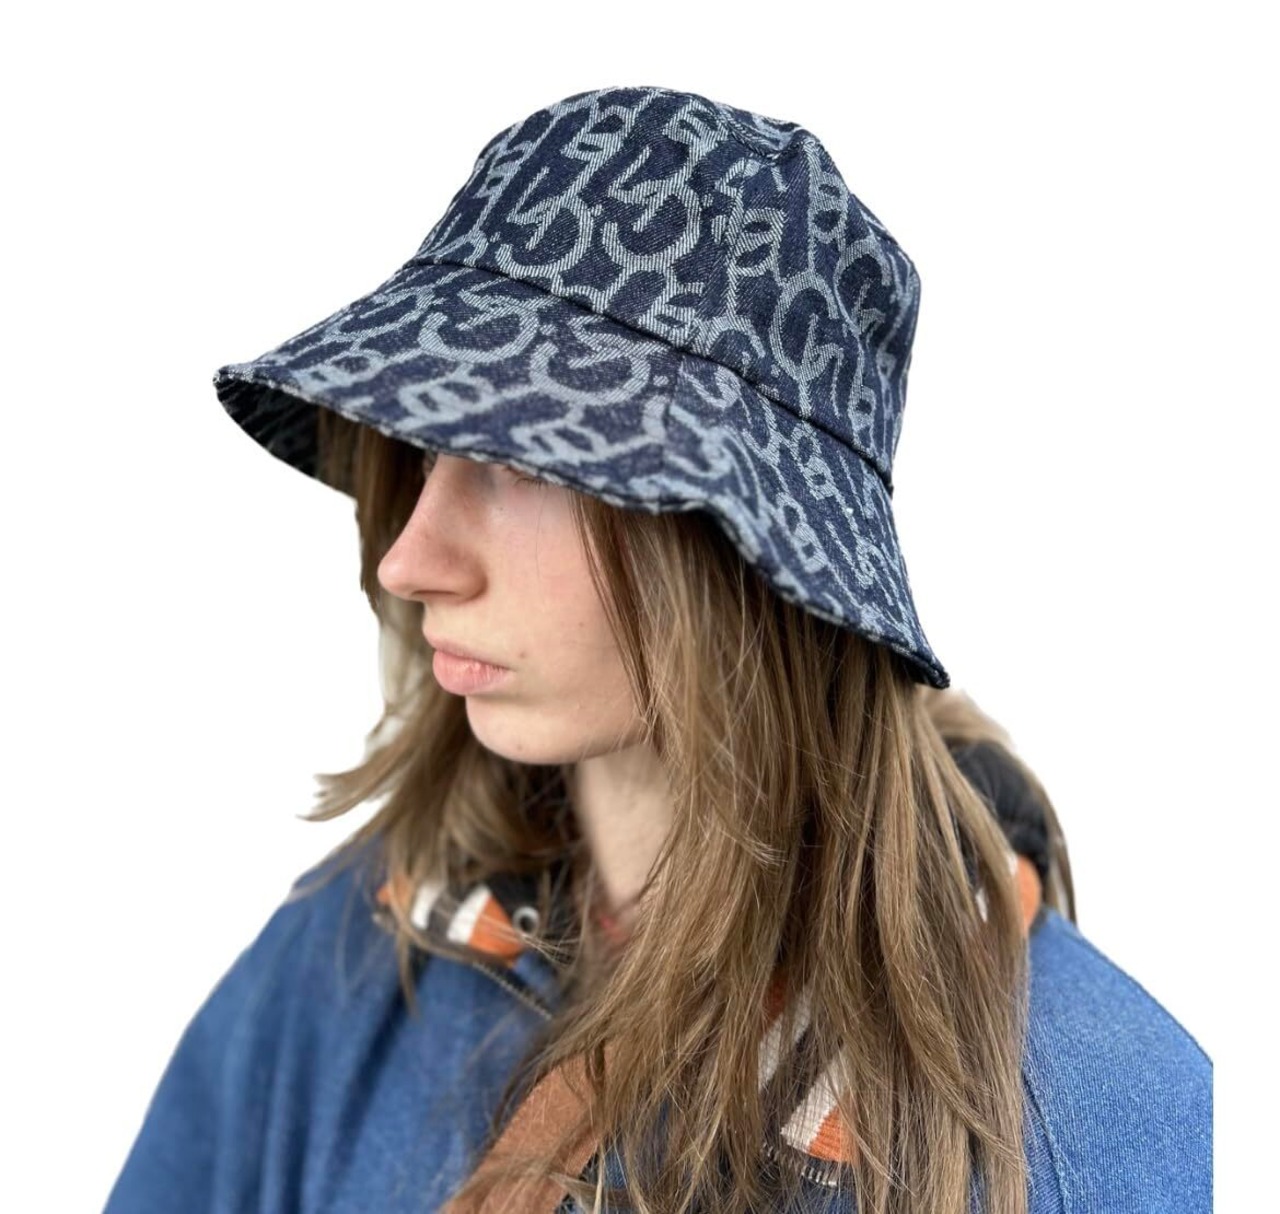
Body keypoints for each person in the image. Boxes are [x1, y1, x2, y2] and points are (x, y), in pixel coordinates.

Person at [103, 85, 1211, 1214]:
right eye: (424, 451)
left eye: (518, 458)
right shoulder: (346, 961)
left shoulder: (1100, 1125)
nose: (412, 559)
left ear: (740, 547)